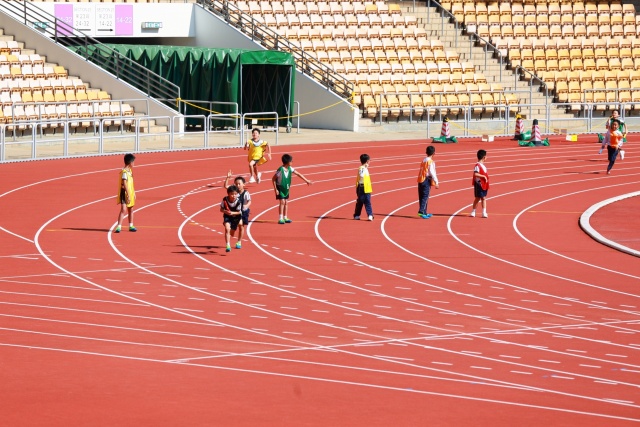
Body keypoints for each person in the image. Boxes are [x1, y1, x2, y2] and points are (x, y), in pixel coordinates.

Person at [272, 153, 312, 224]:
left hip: (286, 188)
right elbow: (273, 179)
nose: (292, 162)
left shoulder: (290, 168)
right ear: (287, 162)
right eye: (291, 161)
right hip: (280, 188)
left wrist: (306, 180)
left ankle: (285, 217)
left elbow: (298, 174)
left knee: (286, 202)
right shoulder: (280, 170)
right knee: (282, 202)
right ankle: (280, 218)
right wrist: (276, 189)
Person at [223, 170, 252, 249]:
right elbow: (226, 186)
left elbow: (249, 201)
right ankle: (232, 231)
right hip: (235, 211)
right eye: (236, 184)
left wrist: (246, 206)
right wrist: (227, 178)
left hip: (243, 211)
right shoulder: (234, 192)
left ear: (244, 184)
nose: (238, 185)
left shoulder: (246, 193)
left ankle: (239, 241)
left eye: (239, 184)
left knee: (241, 226)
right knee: (232, 229)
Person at [115, 153, 137, 233]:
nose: (134, 164)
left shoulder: (130, 171)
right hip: (124, 193)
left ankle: (131, 225)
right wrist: (128, 194)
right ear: (130, 163)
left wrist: (134, 193)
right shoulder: (124, 172)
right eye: (133, 162)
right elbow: (124, 183)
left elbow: (131, 183)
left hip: (130, 192)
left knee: (131, 209)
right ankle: (119, 226)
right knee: (123, 209)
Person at [416, 145, 439, 219]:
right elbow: (432, 172)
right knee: (425, 196)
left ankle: (424, 212)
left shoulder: (424, 160)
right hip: (426, 180)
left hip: (420, 179)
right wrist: (436, 182)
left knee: (421, 196)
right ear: (434, 153)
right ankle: (421, 211)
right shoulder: (430, 162)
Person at [220, 185, 243, 252]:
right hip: (227, 216)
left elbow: (239, 212)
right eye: (232, 194)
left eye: (235, 194)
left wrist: (232, 213)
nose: (234, 196)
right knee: (227, 229)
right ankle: (228, 245)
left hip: (236, 217)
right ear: (228, 194)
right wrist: (225, 211)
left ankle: (239, 241)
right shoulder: (225, 200)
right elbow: (221, 209)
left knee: (240, 226)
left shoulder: (239, 201)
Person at [353, 154, 374, 221]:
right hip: (362, 187)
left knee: (367, 201)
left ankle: (370, 215)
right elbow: (361, 175)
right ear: (367, 161)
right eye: (369, 160)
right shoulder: (362, 168)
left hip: (366, 188)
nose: (370, 162)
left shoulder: (365, 168)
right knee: (361, 201)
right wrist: (364, 168)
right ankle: (357, 215)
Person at [470, 149, 489, 218]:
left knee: (483, 198)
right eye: (486, 156)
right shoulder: (477, 165)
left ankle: (484, 212)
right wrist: (483, 176)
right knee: (478, 198)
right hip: (478, 184)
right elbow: (475, 174)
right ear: (484, 157)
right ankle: (473, 211)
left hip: (484, 184)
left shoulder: (483, 166)